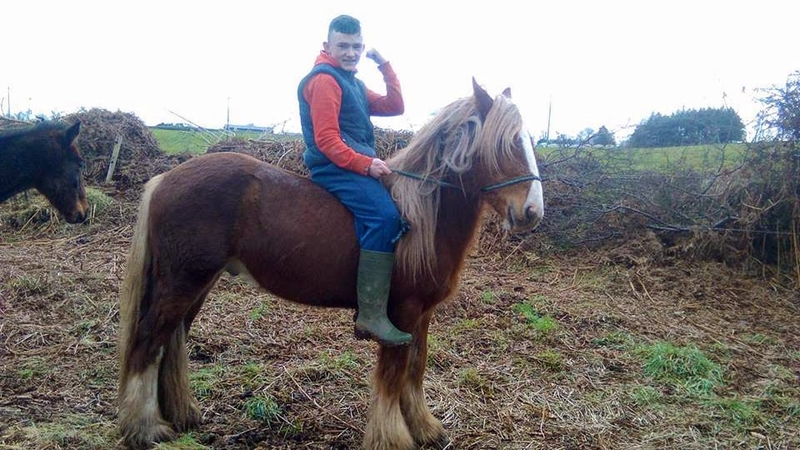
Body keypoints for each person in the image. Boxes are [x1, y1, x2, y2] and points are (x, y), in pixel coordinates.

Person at [297, 14, 411, 346]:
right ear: (327, 46)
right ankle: (372, 314)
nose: (351, 52)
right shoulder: (325, 81)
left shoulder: (353, 83)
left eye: (357, 46)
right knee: (385, 217)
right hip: (333, 167)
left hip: (351, 163)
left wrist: (384, 64)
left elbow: (395, 106)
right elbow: (327, 141)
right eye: (343, 46)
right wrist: (366, 165)